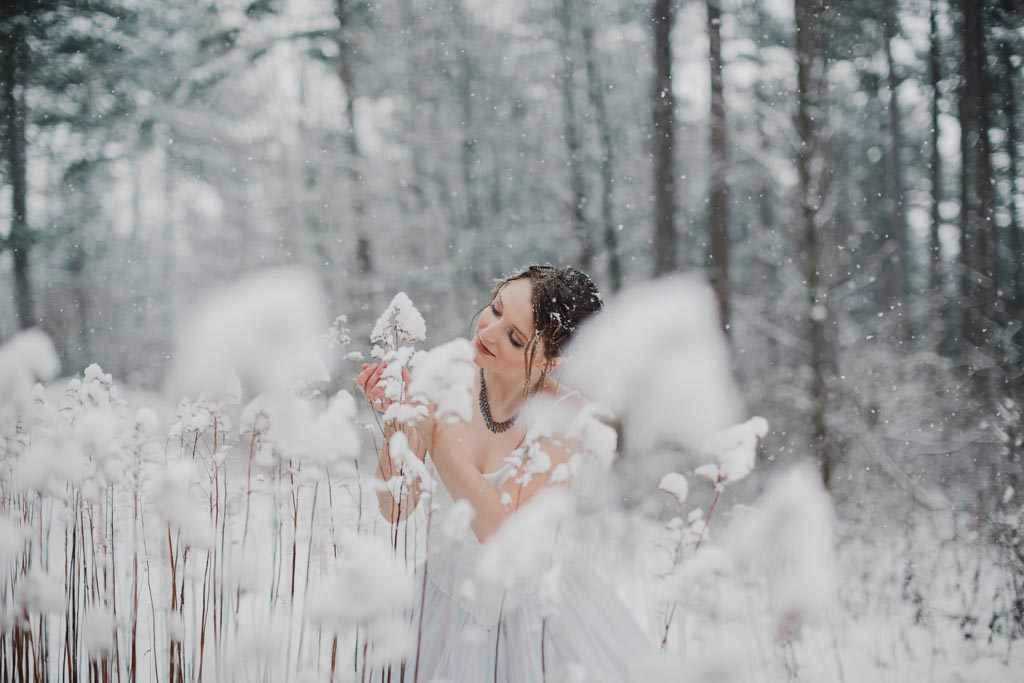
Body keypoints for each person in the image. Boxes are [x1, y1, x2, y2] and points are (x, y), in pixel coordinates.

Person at [356, 265, 667, 682]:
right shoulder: (444, 376)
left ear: (552, 359)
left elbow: (502, 533)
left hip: (536, 617)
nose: (488, 332)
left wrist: (433, 431)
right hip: (440, 606)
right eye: (496, 308)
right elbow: (394, 506)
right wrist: (399, 415)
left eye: (514, 337)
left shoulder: (565, 417)